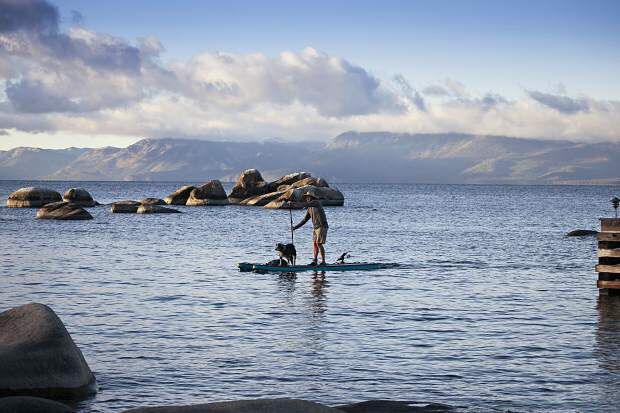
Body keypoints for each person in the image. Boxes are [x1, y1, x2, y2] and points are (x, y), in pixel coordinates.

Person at [289, 189, 329, 266]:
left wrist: (293, 203)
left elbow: (303, 204)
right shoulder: (309, 208)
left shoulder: (316, 203)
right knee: (315, 244)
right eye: (306, 197)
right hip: (315, 227)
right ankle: (315, 261)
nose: (307, 198)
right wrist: (295, 227)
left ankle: (323, 262)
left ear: (312, 197)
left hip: (322, 226)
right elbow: (305, 220)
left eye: (308, 197)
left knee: (319, 243)